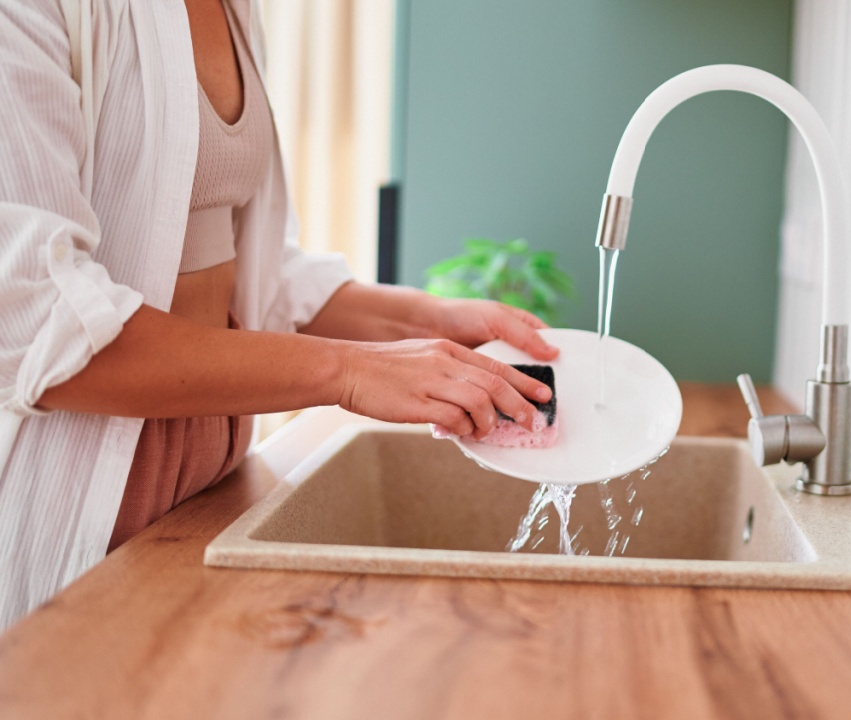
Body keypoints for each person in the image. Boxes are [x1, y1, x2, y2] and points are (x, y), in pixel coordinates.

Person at [0, 0, 558, 627]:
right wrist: (348, 371)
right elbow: (41, 325)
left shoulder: (236, 10)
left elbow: (248, 265)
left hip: (210, 505)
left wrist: (430, 320)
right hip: (71, 535)